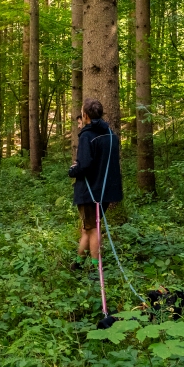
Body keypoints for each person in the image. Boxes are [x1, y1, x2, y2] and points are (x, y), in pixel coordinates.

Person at [68, 98, 124, 273]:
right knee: (88, 228)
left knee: (92, 230)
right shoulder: (110, 135)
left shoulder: (87, 136)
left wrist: (73, 171)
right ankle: (77, 264)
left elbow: (84, 165)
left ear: (85, 115)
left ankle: (95, 269)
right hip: (105, 191)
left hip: (89, 191)